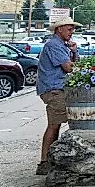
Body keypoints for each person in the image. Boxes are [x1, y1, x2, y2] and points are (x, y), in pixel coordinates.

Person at [36, 17, 80, 175]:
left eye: (72, 29)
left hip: (55, 88)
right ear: (59, 29)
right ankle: (44, 162)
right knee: (54, 124)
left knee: (57, 123)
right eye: (69, 29)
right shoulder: (54, 45)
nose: (71, 32)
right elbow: (68, 67)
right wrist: (86, 67)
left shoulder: (61, 45)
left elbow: (70, 63)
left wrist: (74, 52)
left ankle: (49, 159)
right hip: (53, 89)